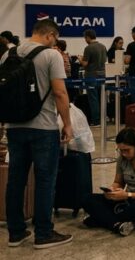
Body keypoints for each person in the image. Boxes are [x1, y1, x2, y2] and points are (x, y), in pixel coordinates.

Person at [3, 19, 74, 249]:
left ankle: (16, 233)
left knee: (16, 179)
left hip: (14, 127)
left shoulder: (7, 55)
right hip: (43, 127)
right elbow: (60, 93)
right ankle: (43, 233)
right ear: (51, 35)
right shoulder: (51, 55)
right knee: (45, 180)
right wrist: (68, 124)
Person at [82, 128, 135, 236]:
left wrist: (128, 195)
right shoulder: (122, 159)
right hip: (127, 200)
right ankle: (117, 224)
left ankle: (104, 219)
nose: (124, 154)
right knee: (87, 199)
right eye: (121, 150)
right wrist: (112, 190)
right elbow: (118, 182)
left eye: (127, 150)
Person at [81, 29, 107, 126]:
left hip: (91, 75)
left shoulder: (88, 48)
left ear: (88, 37)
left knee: (93, 99)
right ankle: (103, 119)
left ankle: (96, 121)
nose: (85, 40)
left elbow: (85, 63)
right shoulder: (103, 47)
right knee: (102, 98)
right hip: (102, 75)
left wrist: (80, 59)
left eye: (85, 38)